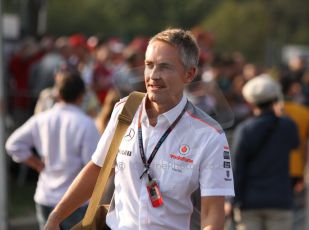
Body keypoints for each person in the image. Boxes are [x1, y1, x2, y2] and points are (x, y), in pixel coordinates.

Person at [45, 28, 235, 230]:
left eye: (165, 67)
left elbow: (212, 213)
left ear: (189, 74)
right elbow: (98, 168)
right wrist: (56, 217)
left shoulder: (209, 135)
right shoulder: (125, 111)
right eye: (149, 65)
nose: (153, 75)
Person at [5, 71, 100, 230]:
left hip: (45, 195)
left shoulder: (41, 119)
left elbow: (13, 144)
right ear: (81, 96)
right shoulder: (86, 124)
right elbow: (91, 165)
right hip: (75, 201)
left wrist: (36, 164)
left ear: (58, 93)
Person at [232, 74, 299, 230]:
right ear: (275, 99)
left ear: (250, 102)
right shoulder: (288, 126)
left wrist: (232, 200)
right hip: (280, 200)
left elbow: (237, 167)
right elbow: (294, 144)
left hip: (249, 202)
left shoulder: (245, 129)